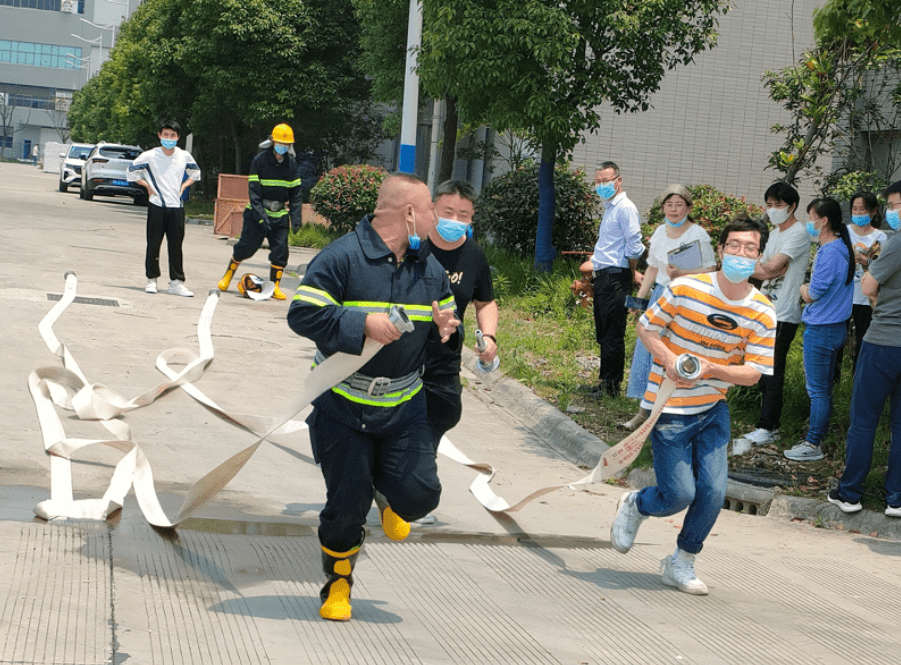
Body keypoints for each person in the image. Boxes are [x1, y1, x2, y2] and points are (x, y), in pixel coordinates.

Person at [287, 173, 460, 621]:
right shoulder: (343, 257)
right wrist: (362, 325)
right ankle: (338, 582)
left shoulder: (430, 268)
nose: (436, 222)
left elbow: (446, 323)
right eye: (429, 212)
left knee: (420, 496)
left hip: (403, 408)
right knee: (346, 506)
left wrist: (446, 331)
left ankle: (387, 490)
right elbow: (302, 313)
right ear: (407, 213)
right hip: (342, 405)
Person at [610, 214, 775, 595]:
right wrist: (669, 359)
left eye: (749, 248)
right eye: (734, 246)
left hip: (712, 407)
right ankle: (637, 504)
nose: (740, 253)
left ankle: (681, 561)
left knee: (714, 493)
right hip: (668, 405)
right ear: (721, 250)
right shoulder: (686, 289)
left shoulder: (763, 310)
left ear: (758, 257)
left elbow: (753, 373)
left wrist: (709, 370)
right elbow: (647, 328)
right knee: (679, 493)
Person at [828, 180, 901, 516]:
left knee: (864, 420)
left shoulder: (897, 243)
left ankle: (850, 493)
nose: (892, 212)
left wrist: (872, 268)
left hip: (884, 340)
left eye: (896, 206)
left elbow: (869, 285)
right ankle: (896, 498)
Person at [622, 184, 717, 431]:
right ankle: (643, 412)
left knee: (674, 355)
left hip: (687, 300)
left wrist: (683, 272)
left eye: (679, 205)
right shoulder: (660, 232)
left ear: (689, 207)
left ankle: (671, 412)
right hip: (661, 297)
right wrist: (640, 301)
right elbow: (653, 268)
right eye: (669, 205)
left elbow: (710, 269)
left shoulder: (698, 234)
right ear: (662, 207)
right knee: (649, 353)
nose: (674, 210)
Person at [424, 179, 498, 448]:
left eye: (463, 215)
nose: (454, 220)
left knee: (441, 416)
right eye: (447, 212)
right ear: (432, 209)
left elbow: (485, 302)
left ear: (472, 217)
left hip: (445, 358)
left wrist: (489, 337)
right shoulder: (414, 247)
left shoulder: (474, 255)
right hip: (406, 355)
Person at [783, 198, 854, 462]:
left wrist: (802, 289)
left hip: (821, 329)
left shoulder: (830, 250)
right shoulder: (842, 247)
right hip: (835, 328)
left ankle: (813, 444)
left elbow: (813, 293)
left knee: (818, 391)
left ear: (824, 221)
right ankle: (817, 438)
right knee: (823, 389)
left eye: (812, 217)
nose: (809, 222)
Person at [742, 182, 810, 446]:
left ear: (792, 206)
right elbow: (764, 268)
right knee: (760, 367)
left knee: (773, 370)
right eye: (769, 206)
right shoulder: (775, 233)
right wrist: (766, 268)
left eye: (778, 206)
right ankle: (770, 423)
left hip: (784, 311)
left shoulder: (798, 233)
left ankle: (767, 426)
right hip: (765, 309)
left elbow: (769, 269)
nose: (773, 210)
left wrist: (767, 269)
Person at [217, 123, 303, 300]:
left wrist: (296, 217)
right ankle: (228, 276)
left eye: (286, 145)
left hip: (279, 214)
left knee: (280, 252)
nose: (282, 147)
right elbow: (254, 192)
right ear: (272, 142)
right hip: (257, 213)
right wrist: (261, 217)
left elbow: (296, 194)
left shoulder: (292, 165)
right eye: (280, 143)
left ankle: (275, 287)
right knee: (246, 248)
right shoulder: (260, 161)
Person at [583, 161, 645, 398]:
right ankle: (604, 380)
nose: (602, 185)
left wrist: (630, 272)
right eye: (598, 182)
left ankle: (611, 387)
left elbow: (635, 245)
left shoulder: (625, 208)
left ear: (618, 181)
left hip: (616, 277)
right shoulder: (610, 208)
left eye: (606, 181)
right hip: (603, 277)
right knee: (604, 330)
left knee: (612, 332)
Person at [127, 119, 201, 297]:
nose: (169, 138)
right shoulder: (150, 156)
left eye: (173, 135)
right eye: (165, 135)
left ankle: (176, 282)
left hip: (176, 206)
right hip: (157, 205)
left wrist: (184, 186)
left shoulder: (184, 156)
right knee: (153, 243)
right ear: (159, 135)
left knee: (176, 245)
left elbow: (196, 173)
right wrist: (148, 186)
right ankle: (152, 279)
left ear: (178, 137)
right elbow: (130, 172)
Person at [840, 191, 886, 377]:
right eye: (855, 209)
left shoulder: (880, 236)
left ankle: (857, 376)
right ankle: (833, 378)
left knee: (862, 338)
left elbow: (879, 264)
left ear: (873, 212)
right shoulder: (845, 231)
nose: (858, 213)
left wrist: (865, 261)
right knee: (839, 337)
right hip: (844, 293)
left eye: (863, 210)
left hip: (866, 297)